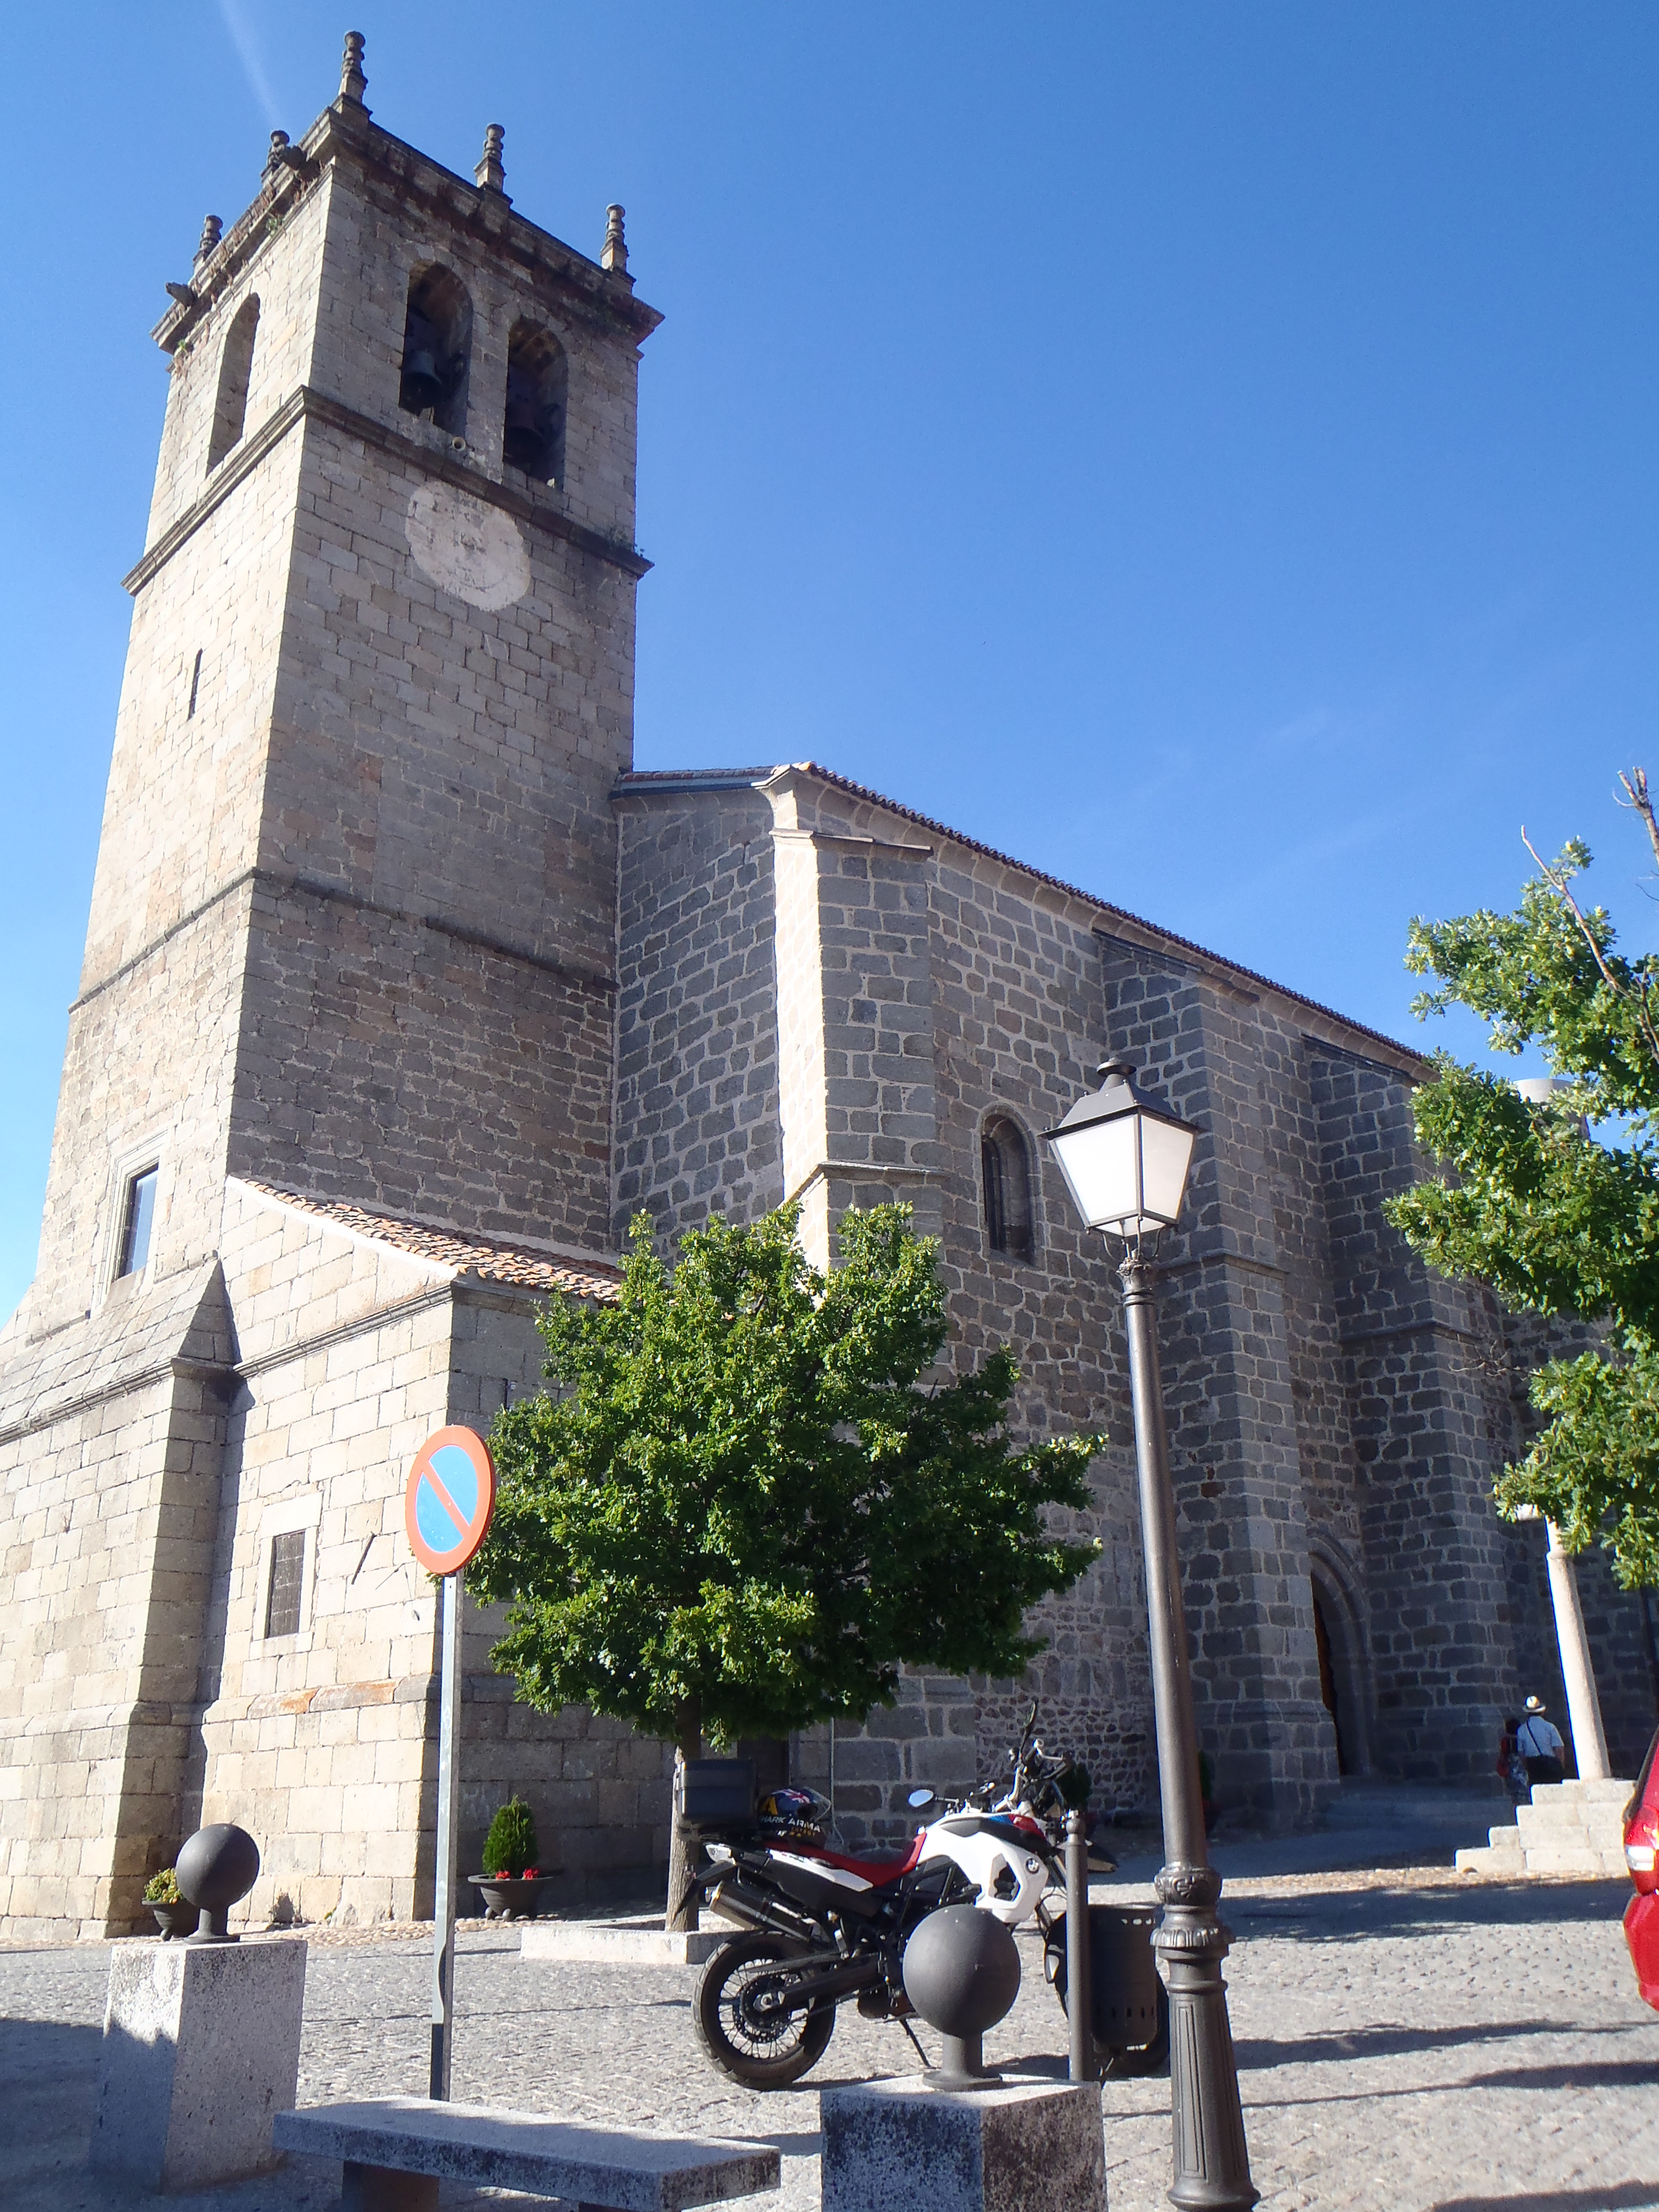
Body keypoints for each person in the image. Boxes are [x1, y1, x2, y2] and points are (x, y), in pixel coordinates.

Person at [1516, 1696, 1566, 1786]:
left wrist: (1527, 1768)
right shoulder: (1550, 1727)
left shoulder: (1522, 1730)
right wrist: (1560, 1766)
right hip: (1550, 1763)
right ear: (1541, 1712)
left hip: (1533, 1765)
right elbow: (1559, 1749)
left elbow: (1521, 1754)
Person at [1495, 1715, 1530, 1803]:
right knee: (1525, 1790)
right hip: (1523, 1767)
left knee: (1514, 1793)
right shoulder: (1523, 1739)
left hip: (1511, 1768)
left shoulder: (1506, 1740)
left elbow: (1503, 1754)